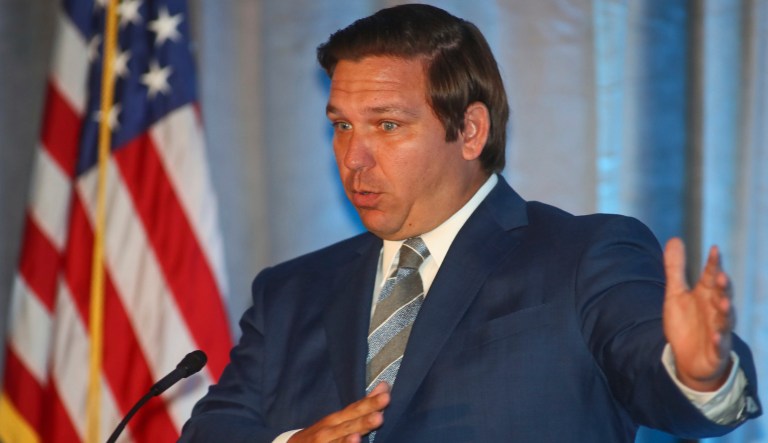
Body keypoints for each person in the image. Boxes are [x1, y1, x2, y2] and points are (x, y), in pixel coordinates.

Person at [179, 4, 761, 442]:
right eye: (341, 125)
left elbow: (652, 374)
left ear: (470, 131)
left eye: (386, 126)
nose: (353, 157)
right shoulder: (290, 293)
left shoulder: (583, 256)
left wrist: (696, 370)